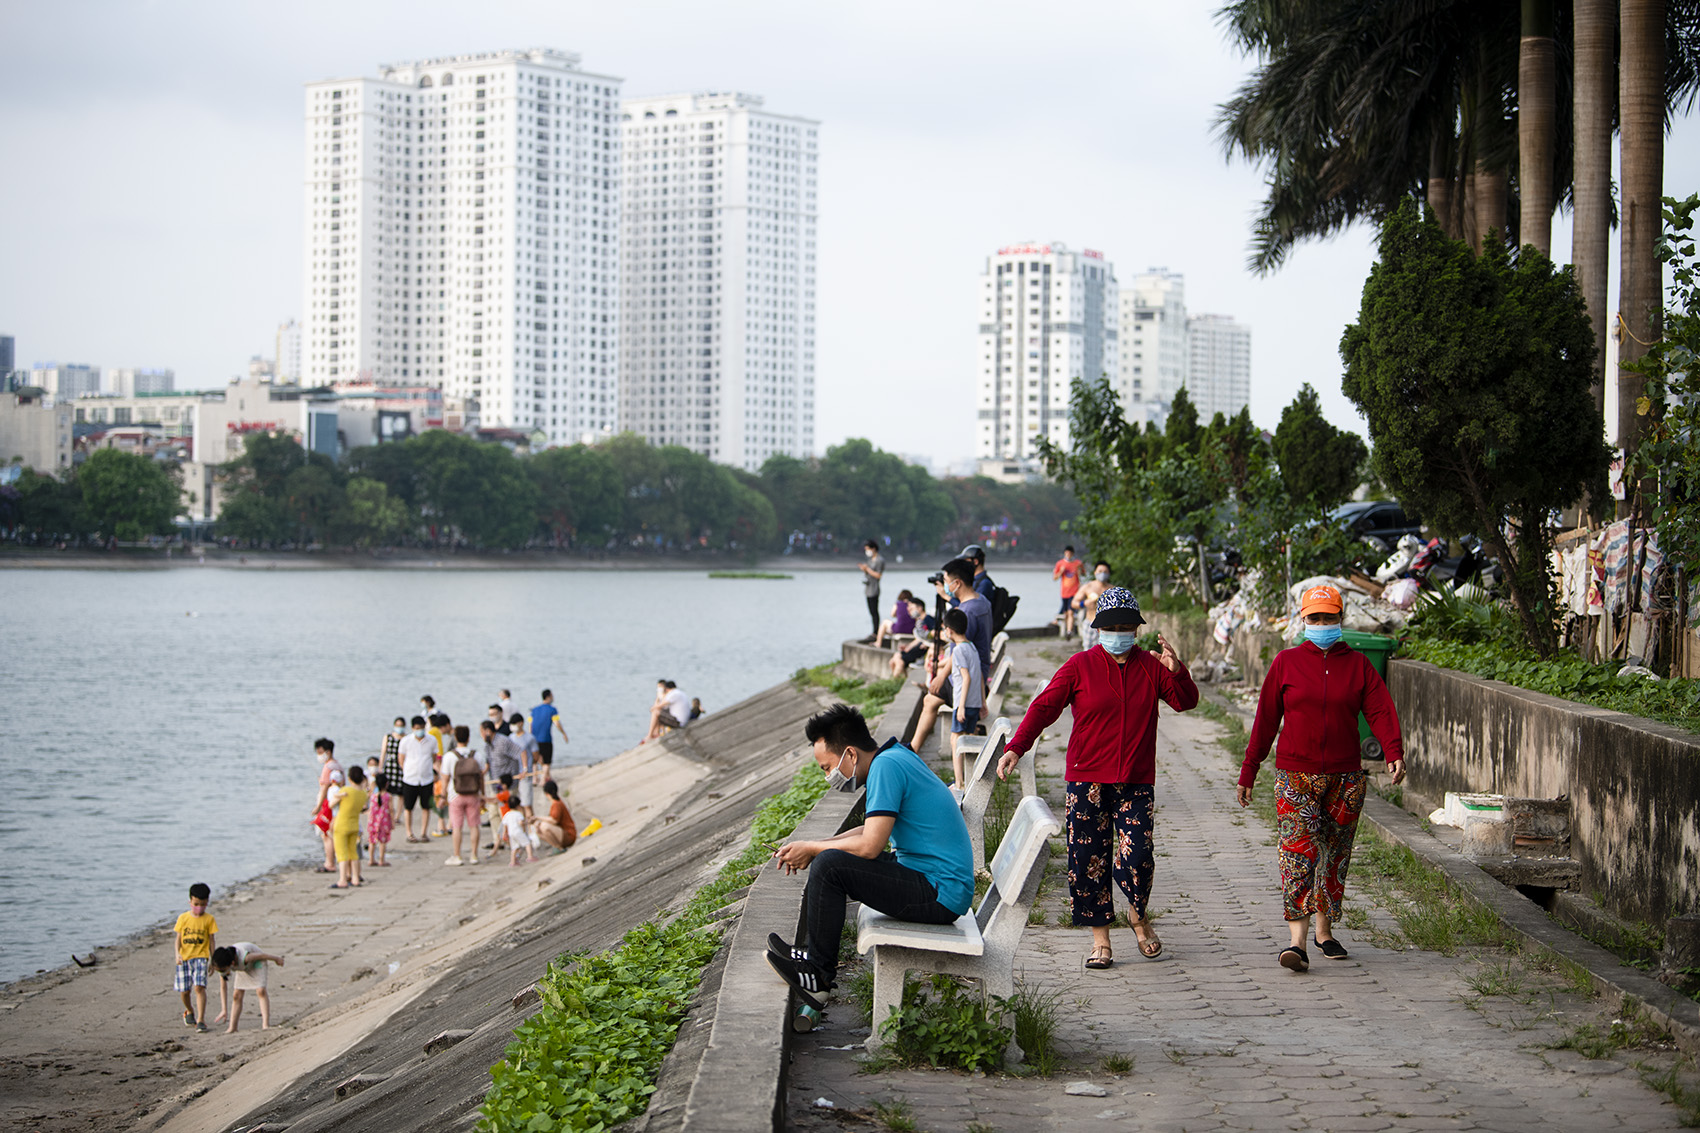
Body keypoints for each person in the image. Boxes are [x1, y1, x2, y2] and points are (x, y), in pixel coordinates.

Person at [998, 587, 1197, 970]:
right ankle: (1100, 939)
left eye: (1127, 627)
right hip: (1087, 780)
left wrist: (1178, 670)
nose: (1119, 634)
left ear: (1136, 630)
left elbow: (1185, 701)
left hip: (1136, 781)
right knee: (1088, 859)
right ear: (1099, 629)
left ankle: (1138, 916)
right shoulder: (1079, 666)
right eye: (1112, 627)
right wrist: (1016, 747)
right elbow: (1044, 708)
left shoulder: (1151, 667)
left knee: (1138, 856)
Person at [1237, 584, 1406, 972]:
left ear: (1340, 619)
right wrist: (1250, 768)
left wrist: (1393, 750)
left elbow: (1380, 710)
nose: (1322, 624)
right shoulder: (1286, 662)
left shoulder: (1359, 665)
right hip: (1296, 775)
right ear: (1303, 619)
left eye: (1329, 617)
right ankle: (1297, 942)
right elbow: (1265, 720)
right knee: (1298, 853)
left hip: (1345, 777)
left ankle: (1324, 932)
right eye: (1315, 618)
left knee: (1334, 853)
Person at [765, 704, 974, 1005]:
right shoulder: (893, 757)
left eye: (828, 767)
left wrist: (815, 850)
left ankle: (817, 976)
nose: (829, 776)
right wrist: (814, 844)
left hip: (940, 893)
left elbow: (870, 846)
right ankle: (813, 954)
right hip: (934, 881)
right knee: (827, 857)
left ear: (850, 754)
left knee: (830, 866)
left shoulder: (886, 768)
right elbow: (869, 829)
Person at [909, 608, 983, 788]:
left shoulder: (957, 651)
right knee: (966, 738)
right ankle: (968, 777)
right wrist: (984, 702)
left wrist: (962, 706)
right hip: (975, 702)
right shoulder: (972, 647)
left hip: (962, 703)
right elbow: (979, 675)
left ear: (948, 631)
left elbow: (966, 678)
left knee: (955, 740)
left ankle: (959, 782)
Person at [932, 557, 992, 681]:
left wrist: (941, 677)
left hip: (967, 675)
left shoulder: (967, 612)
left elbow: (960, 650)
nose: (945, 586)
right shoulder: (981, 600)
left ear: (957, 583)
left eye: (946, 581)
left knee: (928, 700)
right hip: (978, 668)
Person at [210, 943, 284, 1033]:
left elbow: (262, 955)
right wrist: (224, 1010)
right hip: (243, 967)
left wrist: (277, 959)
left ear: (231, 964)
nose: (221, 973)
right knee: (236, 995)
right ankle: (232, 1027)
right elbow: (223, 987)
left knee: (261, 991)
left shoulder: (245, 957)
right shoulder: (222, 964)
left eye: (222, 970)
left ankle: (265, 1024)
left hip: (258, 962)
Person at [173, 882, 217, 1032]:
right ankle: (189, 1011)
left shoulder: (209, 919)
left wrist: (213, 959)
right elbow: (178, 938)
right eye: (196, 904)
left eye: (203, 904)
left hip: (201, 957)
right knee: (185, 991)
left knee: (199, 987)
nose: (199, 907)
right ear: (190, 901)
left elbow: (211, 940)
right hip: (185, 958)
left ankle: (201, 1020)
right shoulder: (183, 918)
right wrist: (177, 954)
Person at [444, 725, 486, 866]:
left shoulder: (450, 756)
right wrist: (482, 795)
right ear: (468, 738)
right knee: (474, 825)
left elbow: (445, 778)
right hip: (473, 794)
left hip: (455, 794)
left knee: (457, 826)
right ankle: (474, 855)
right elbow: (481, 778)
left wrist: (442, 796)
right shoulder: (476, 755)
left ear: (455, 738)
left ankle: (457, 855)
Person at [397, 715, 437, 843]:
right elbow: (401, 759)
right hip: (410, 778)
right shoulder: (406, 741)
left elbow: (434, 757)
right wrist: (407, 770)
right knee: (408, 807)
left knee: (426, 807)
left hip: (426, 778)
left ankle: (423, 832)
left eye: (421, 728)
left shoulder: (432, 740)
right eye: (417, 728)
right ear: (413, 728)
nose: (419, 730)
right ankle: (409, 833)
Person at [328, 765, 368, 889]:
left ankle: (342, 880)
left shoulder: (345, 790)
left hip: (341, 825)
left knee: (341, 852)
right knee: (353, 852)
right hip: (354, 824)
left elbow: (331, 805)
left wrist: (337, 796)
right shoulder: (362, 794)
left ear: (350, 778)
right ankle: (355, 878)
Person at [310, 739, 342, 874]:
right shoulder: (338, 766)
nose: (319, 755)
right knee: (331, 833)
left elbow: (324, 788)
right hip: (337, 802)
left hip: (328, 803)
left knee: (326, 834)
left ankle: (330, 863)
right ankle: (333, 860)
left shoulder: (328, 767)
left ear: (327, 752)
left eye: (320, 752)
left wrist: (317, 807)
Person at [888, 594, 935, 678]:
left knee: (898, 659)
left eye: (911, 609)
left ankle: (895, 680)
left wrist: (928, 643)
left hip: (921, 651)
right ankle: (898, 680)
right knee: (893, 661)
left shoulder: (928, 619)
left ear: (920, 608)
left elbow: (934, 634)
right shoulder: (920, 621)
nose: (909, 611)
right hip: (918, 649)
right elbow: (920, 638)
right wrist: (908, 646)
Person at [530, 689, 569, 781]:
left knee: (534, 760)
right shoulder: (552, 710)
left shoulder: (534, 710)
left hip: (534, 738)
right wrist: (564, 733)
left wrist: (530, 737)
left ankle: (535, 778)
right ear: (549, 697)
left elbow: (530, 725)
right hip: (545, 738)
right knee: (547, 761)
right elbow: (557, 723)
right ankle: (543, 780)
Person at [1073, 561, 1113, 652]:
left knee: (1105, 653)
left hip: (1106, 626)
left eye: (1105, 571)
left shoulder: (1112, 589)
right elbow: (1074, 603)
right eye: (1100, 571)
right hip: (1090, 623)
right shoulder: (1088, 587)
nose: (1102, 574)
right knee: (1088, 652)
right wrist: (1084, 603)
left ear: (1109, 573)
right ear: (1095, 572)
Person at [533, 778, 578, 850]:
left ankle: (558, 847)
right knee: (539, 830)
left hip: (569, 834)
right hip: (564, 833)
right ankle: (557, 846)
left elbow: (554, 821)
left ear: (547, 794)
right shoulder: (557, 802)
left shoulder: (556, 804)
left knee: (544, 826)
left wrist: (538, 818)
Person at [509, 713, 539, 816]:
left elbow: (535, 755)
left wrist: (529, 768)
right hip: (514, 774)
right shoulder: (511, 737)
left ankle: (532, 828)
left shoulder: (530, 738)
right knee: (516, 804)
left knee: (527, 803)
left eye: (514, 724)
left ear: (521, 723)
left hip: (526, 774)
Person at [858, 539, 885, 642]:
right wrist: (864, 569)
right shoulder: (870, 560)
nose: (867, 551)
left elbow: (878, 575)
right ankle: (874, 631)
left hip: (874, 589)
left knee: (874, 611)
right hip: (868, 588)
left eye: (868, 549)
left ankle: (875, 632)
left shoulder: (879, 560)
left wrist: (868, 569)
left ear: (873, 548)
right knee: (871, 611)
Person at [1053, 546, 1083, 636]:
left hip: (1075, 592)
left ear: (1073, 554)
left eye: (1070, 553)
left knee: (1071, 612)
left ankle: (1069, 631)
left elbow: (1083, 574)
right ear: (1064, 553)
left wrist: (1079, 571)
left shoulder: (1078, 563)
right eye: (1067, 553)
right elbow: (1054, 578)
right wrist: (1061, 572)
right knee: (1066, 613)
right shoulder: (1060, 564)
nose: (1068, 555)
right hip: (1064, 592)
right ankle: (1067, 631)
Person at [502, 796, 538, 865]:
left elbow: (505, 825)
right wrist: (525, 826)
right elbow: (521, 823)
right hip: (518, 831)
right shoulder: (518, 814)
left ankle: (512, 862)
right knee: (527, 843)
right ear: (518, 805)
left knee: (514, 847)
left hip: (511, 833)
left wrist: (505, 833)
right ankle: (530, 856)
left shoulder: (507, 814)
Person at [367, 773, 393, 867]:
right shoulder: (388, 796)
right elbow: (391, 810)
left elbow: (370, 810)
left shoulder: (373, 796)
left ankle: (371, 859)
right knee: (382, 841)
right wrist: (392, 822)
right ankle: (382, 860)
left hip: (373, 821)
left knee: (372, 841)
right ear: (387, 784)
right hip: (384, 821)